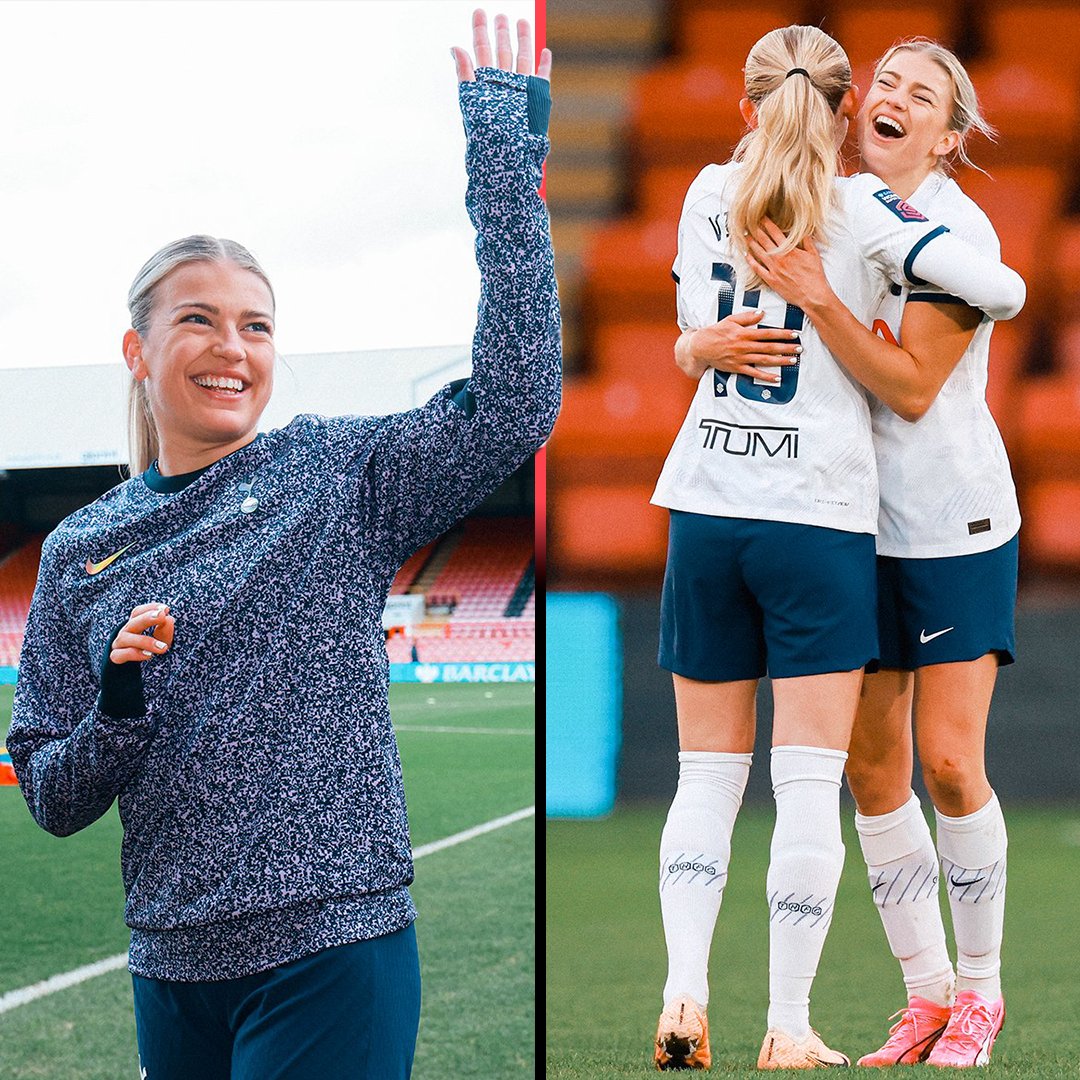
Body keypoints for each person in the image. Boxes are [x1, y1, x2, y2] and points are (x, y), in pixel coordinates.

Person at [6, 11, 558, 1080]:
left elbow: (516, 405)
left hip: (332, 944)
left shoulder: (330, 474)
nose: (233, 348)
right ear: (138, 348)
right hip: (168, 964)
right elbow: (52, 796)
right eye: (201, 321)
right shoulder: (80, 549)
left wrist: (506, 168)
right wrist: (118, 706)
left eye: (257, 326)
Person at [650, 24, 1024, 1071]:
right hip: (841, 522)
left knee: (948, 763)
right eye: (885, 80)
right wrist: (695, 344)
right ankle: (926, 994)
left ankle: (983, 994)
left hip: (944, 521)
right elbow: (705, 320)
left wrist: (814, 296)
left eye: (923, 92)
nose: (894, 96)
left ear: (949, 137)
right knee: (865, 770)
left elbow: (908, 387)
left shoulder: (953, 229)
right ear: (853, 104)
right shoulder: (825, 191)